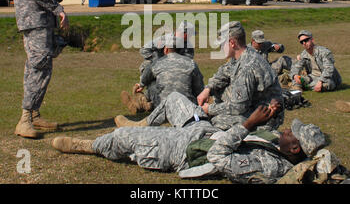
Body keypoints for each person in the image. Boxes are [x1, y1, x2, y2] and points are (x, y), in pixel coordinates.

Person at [51, 101, 328, 184]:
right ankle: (140, 121)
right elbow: (262, 136)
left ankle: (90, 146)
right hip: (202, 131)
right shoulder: (280, 146)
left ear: (295, 150)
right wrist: (270, 115)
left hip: (185, 152)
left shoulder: (268, 169)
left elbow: (219, 158)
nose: (286, 131)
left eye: (292, 133)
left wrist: (247, 125)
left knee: (124, 139)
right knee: (175, 98)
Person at [11, 0, 72, 138]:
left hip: (43, 21)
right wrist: (58, 9)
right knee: (38, 66)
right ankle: (25, 119)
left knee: (44, 66)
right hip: (34, 21)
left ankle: (34, 114)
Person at [197, 21, 284, 131]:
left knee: (218, 121)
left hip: (265, 116)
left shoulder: (247, 67)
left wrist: (209, 109)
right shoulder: (243, 55)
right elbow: (223, 73)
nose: (220, 48)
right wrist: (208, 89)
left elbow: (238, 107)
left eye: (222, 44)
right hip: (253, 106)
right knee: (219, 91)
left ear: (232, 43)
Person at [116, 35, 204, 126]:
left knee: (153, 84)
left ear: (165, 50)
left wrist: (140, 85)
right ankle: (143, 104)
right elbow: (200, 90)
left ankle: (143, 103)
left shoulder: (157, 63)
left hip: (164, 106)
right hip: (188, 107)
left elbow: (145, 77)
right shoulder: (191, 63)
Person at [124, 21, 195, 112]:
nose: (191, 37)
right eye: (190, 34)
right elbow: (144, 50)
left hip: (176, 73)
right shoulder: (164, 40)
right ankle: (143, 102)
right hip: (159, 71)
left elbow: (188, 63)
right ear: (184, 33)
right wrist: (159, 62)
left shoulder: (188, 46)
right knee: (154, 82)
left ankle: (143, 102)